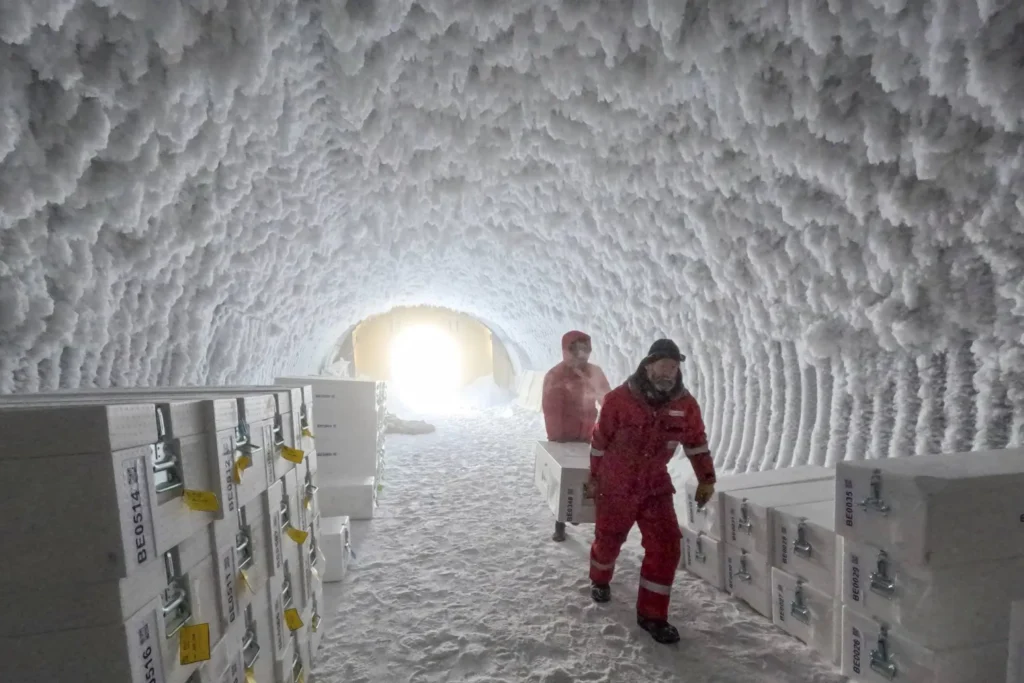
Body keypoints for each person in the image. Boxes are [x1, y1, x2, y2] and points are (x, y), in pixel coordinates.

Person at [586, 339, 716, 644]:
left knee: (667, 545)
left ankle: (652, 616)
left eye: (673, 367)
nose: (668, 373)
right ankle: (600, 578)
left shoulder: (685, 405)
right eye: (663, 366)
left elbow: (696, 443)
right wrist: (594, 477)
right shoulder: (619, 400)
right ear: (648, 366)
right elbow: (599, 441)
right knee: (609, 539)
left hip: (654, 485)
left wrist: (706, 479)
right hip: (616, 483)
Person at [542, 330, 612, 542]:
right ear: (567, 350)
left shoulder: (594, 373)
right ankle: (560, 522)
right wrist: (557, 438)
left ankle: (578, 512)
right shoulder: (556, 376)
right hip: (563, 437)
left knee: (587, 476)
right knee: (564, 479)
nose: (582, 354)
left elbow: (607, 400)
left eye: (585, 349)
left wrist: (610, 424)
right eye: (577, 350)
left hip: (588, 434)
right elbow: (552, 410)